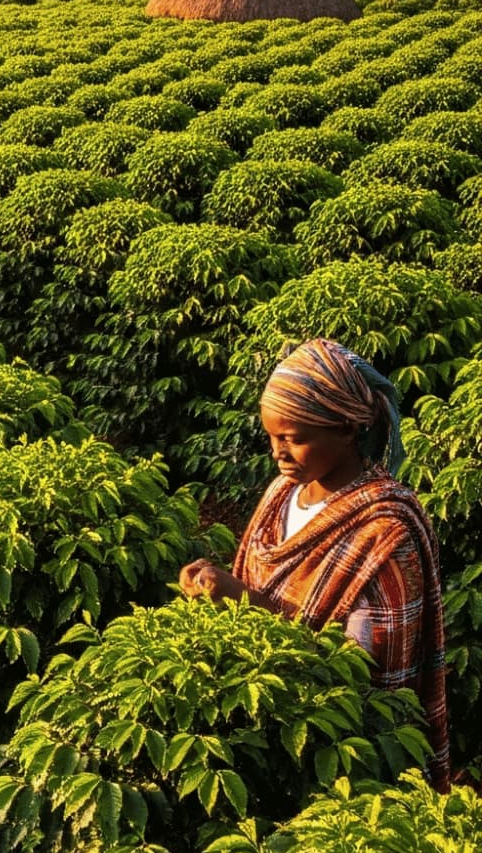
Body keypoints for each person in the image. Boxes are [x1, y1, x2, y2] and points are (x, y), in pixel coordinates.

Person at [179, 336, 450, 789]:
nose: (277, 453)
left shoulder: (385, 532)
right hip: (256, 726)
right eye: (272, 437)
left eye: (294, 439)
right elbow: (259, 579)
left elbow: (364, 674)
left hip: (337, 754)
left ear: (348, 429)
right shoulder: (281, 494)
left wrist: (243, 601)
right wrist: (213, 588)